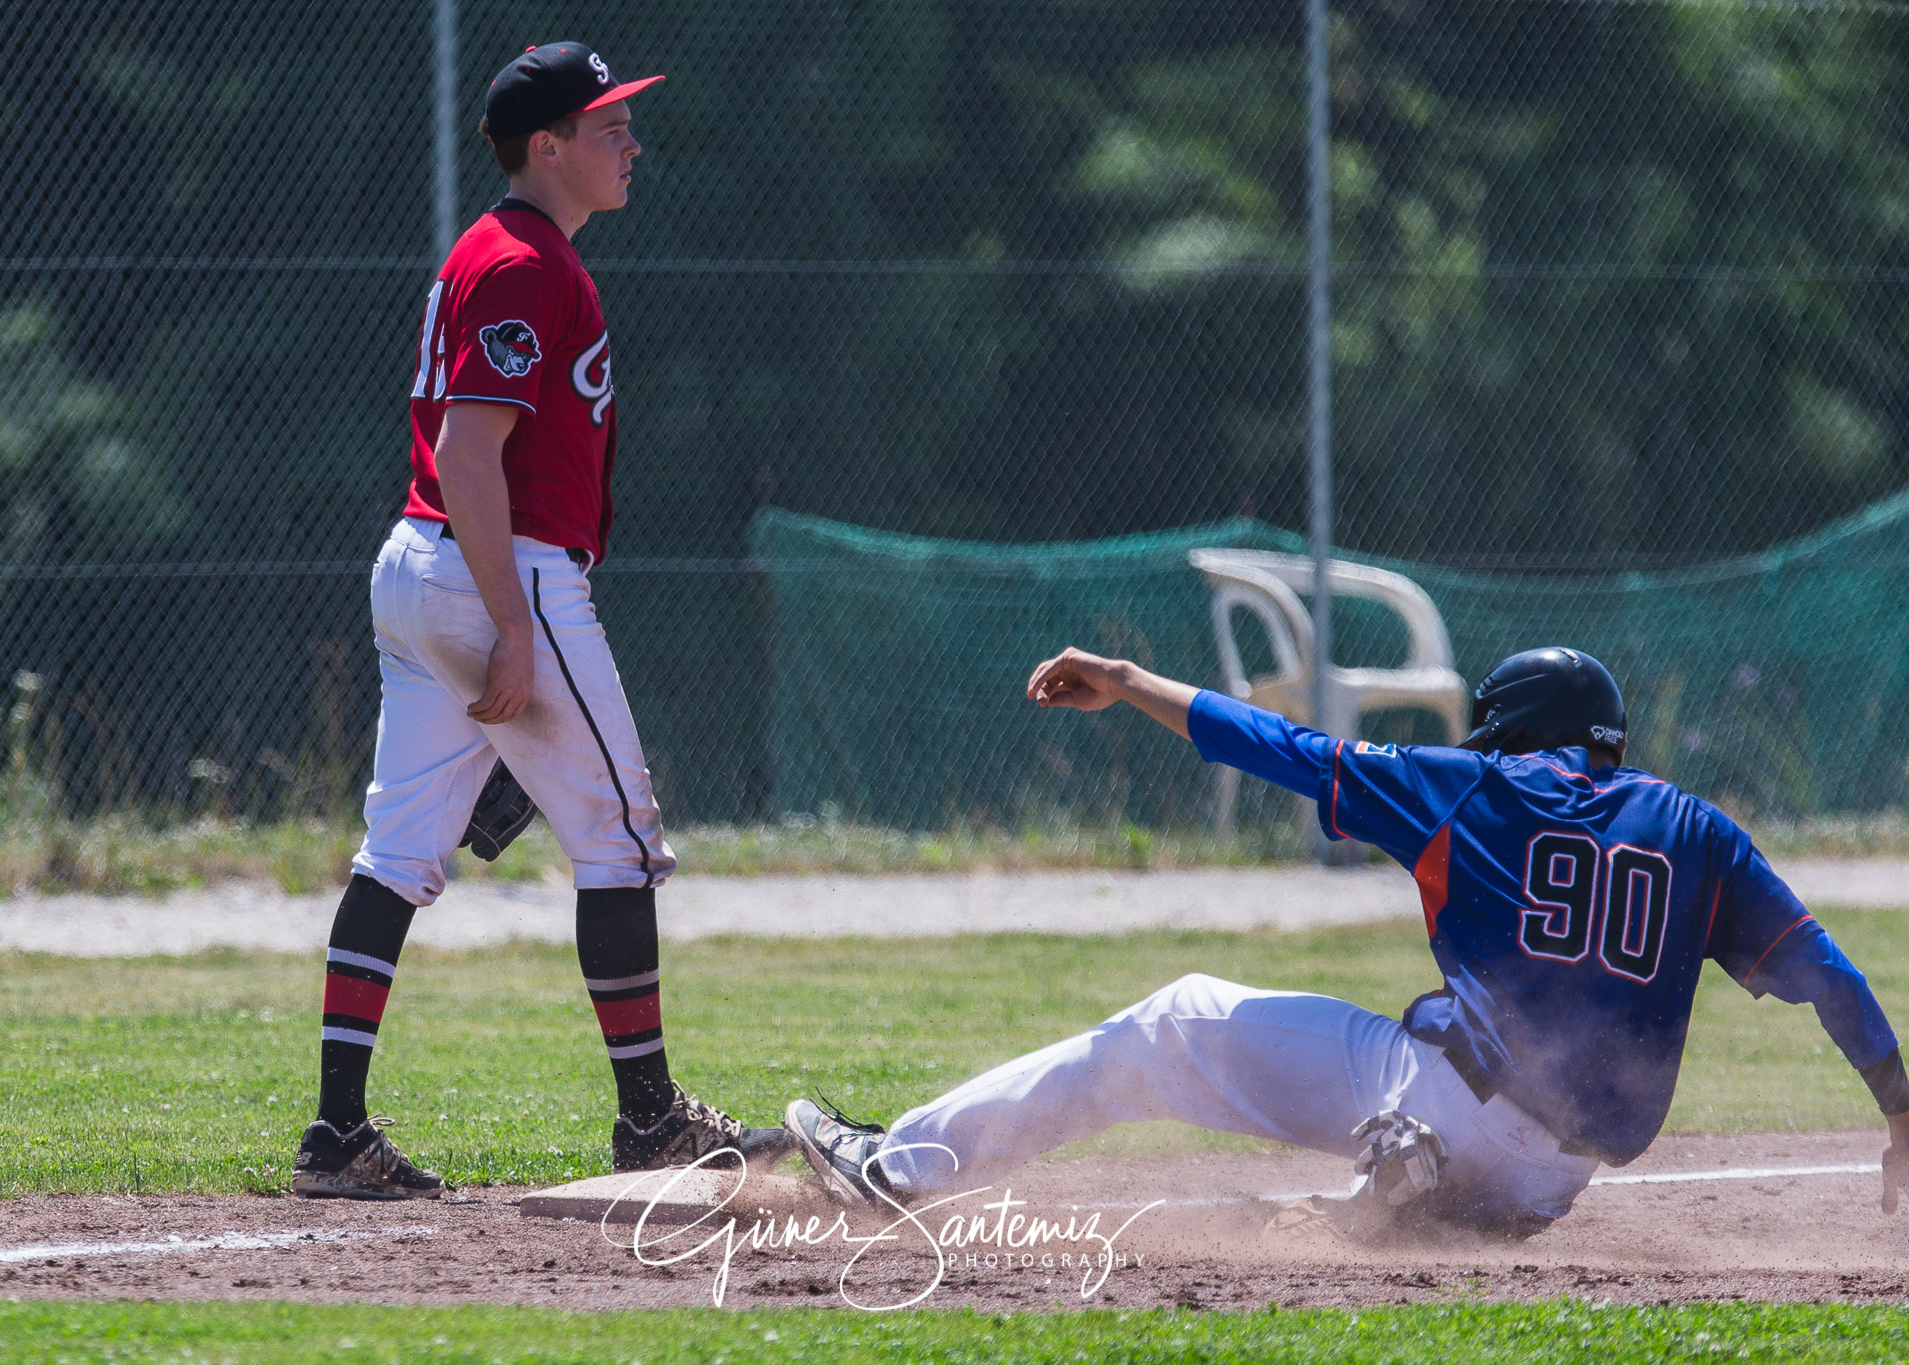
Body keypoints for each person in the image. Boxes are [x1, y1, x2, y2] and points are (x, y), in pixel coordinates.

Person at [786, 645, 1909, 1236]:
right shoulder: (1702, 834)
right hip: (1561, 1179)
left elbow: (1279, 746)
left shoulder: (1467, 785)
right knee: (1462, 1095)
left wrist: (1127, 682)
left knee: (1173, 1022)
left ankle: (897, 1170)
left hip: (1450, 1101)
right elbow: (1830, 976)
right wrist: (1900, 1109)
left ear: (1512, 731)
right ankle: (1439, 1196)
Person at [292, 42, 790, 1199]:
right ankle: (651, 1122)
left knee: (396, 854)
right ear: (546, 146)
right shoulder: (525, 263)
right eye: (607, 126)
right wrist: (513, 630)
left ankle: (336, 1134)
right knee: (619, 839)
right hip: (498, 568)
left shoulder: (494, 249)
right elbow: (471, 450)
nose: (630, 143)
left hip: (421, 564)